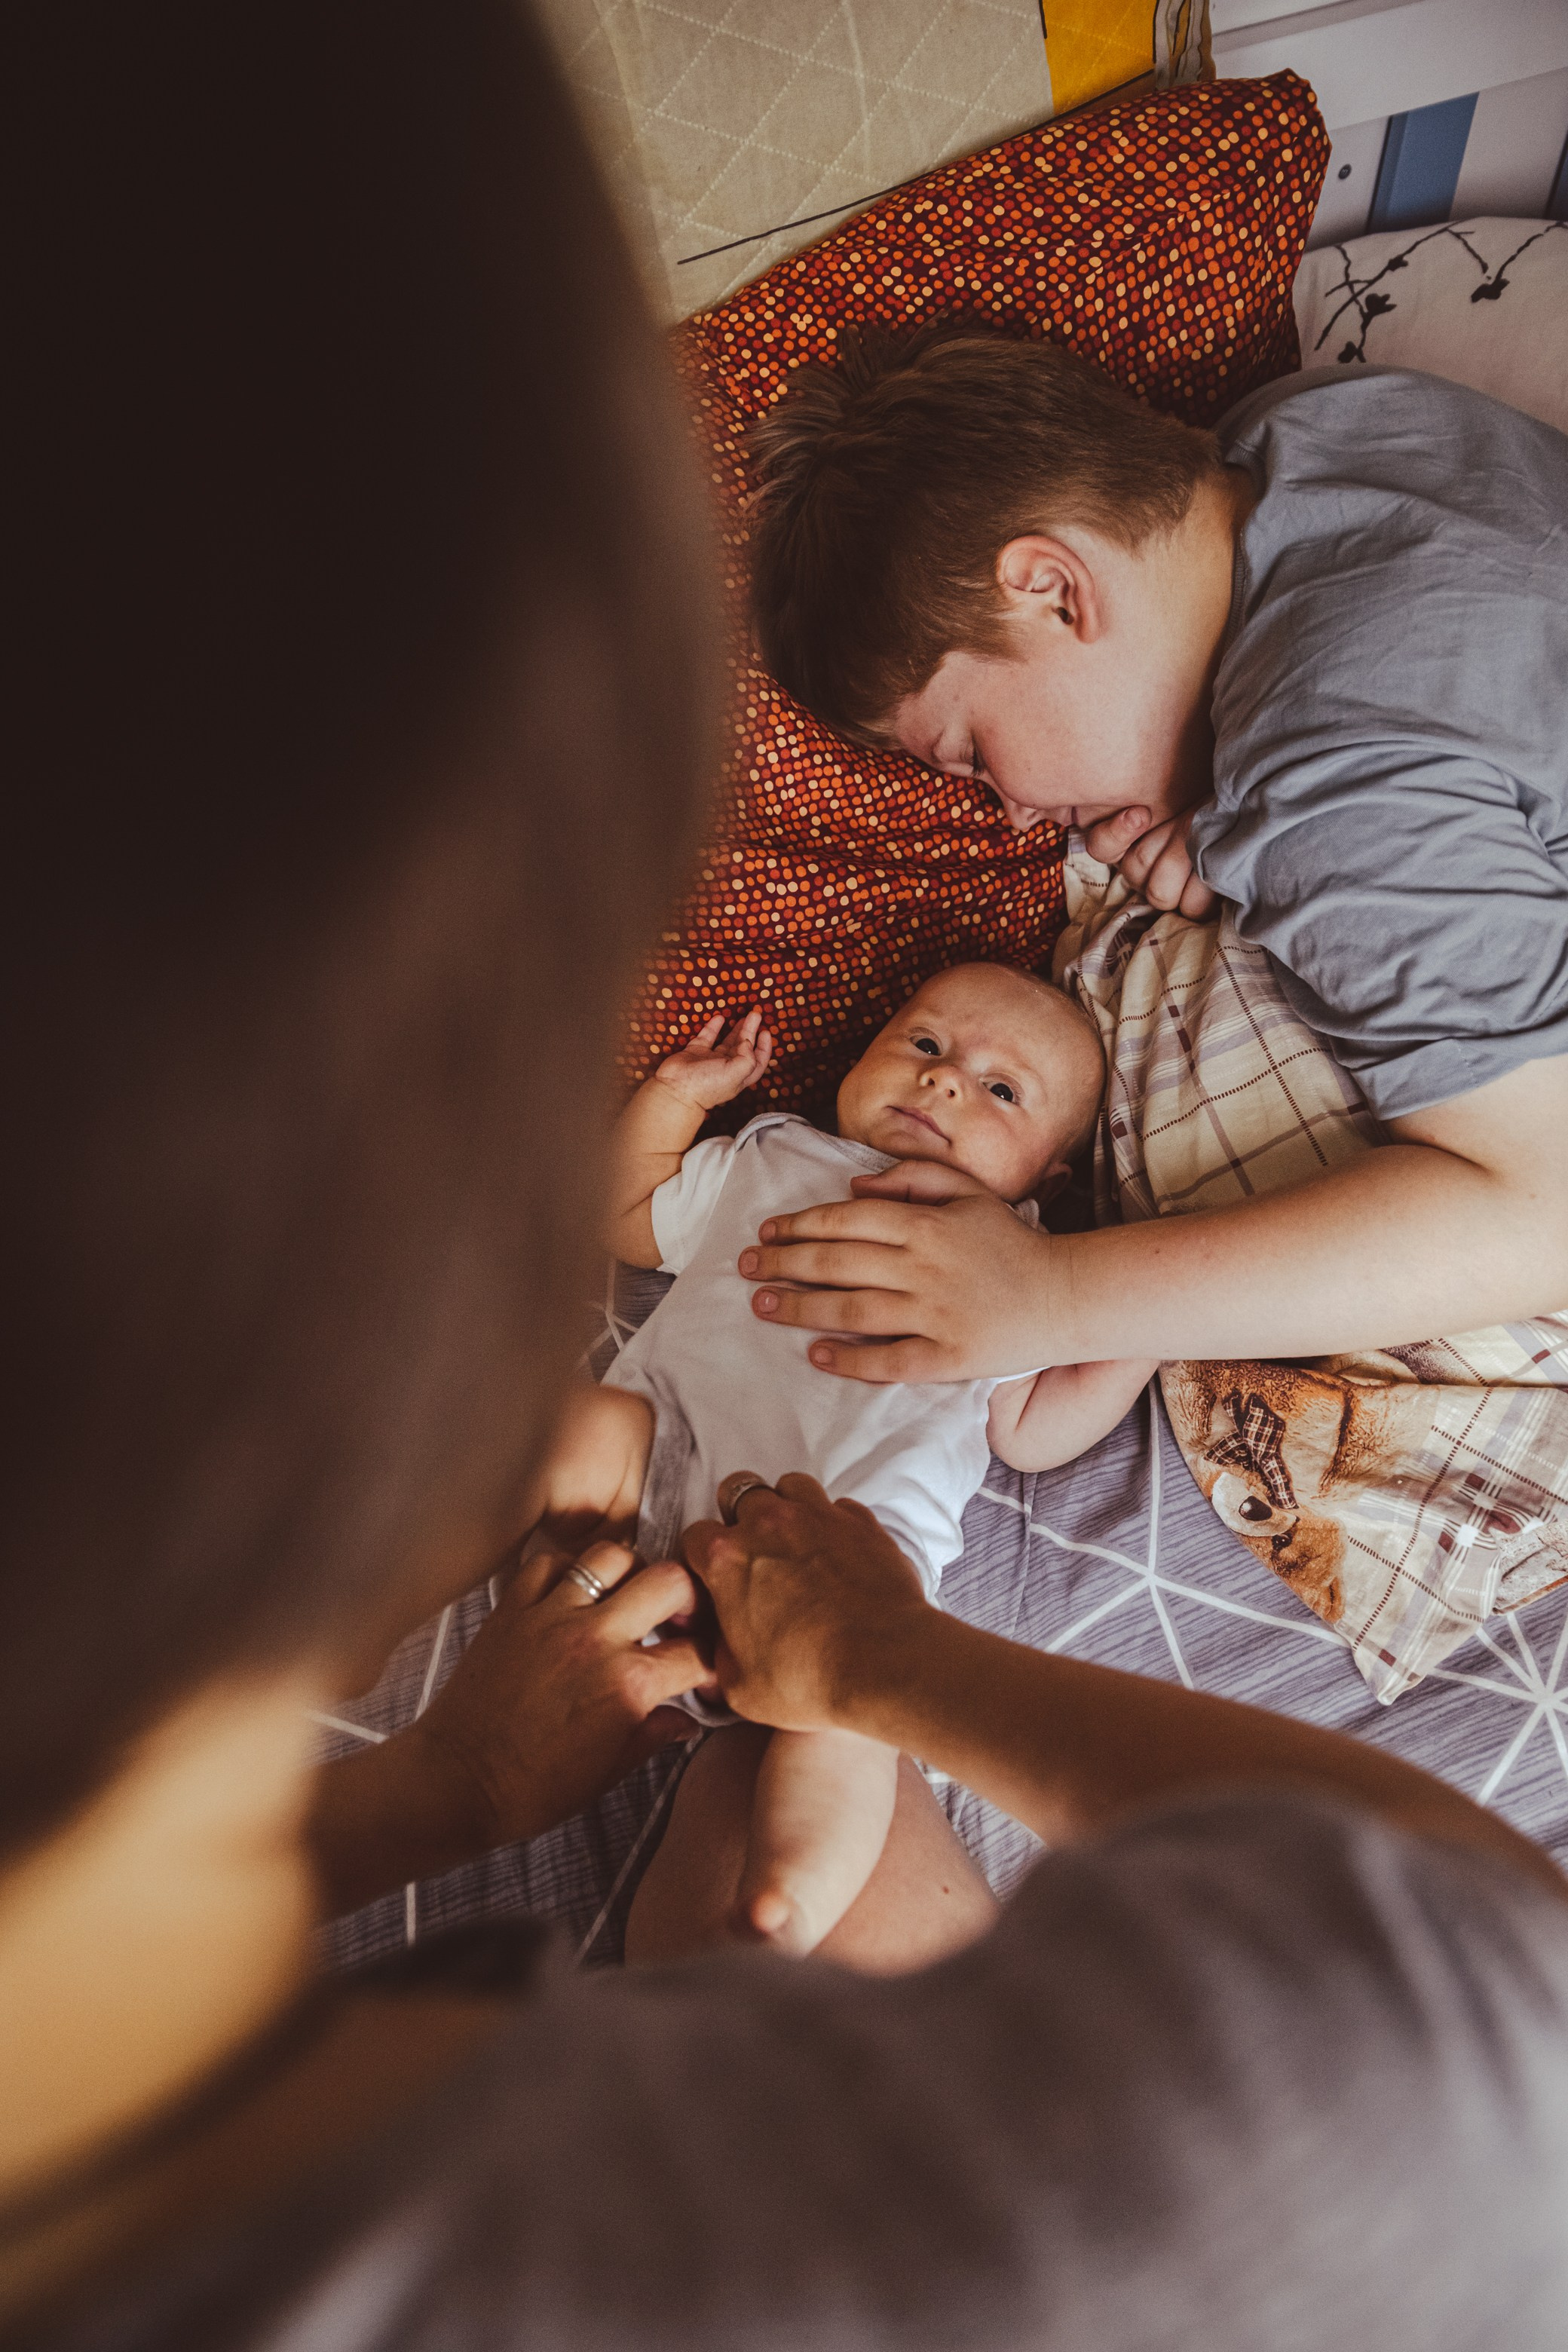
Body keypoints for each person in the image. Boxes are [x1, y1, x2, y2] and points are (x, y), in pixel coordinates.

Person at [8, 8, 1568, 2347]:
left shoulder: (1319, 756)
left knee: (763, 1762)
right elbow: (1459, 1955)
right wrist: (906, 1652)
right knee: (770, 1762)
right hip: (825, 1636)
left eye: (973, 761)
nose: (1014, 833)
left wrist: (435, 1807)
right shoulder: (1335, 466)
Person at [737, 326, 1568, 1385]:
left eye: (977, 755)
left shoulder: (1327, 779)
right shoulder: (1321, 424)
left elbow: (1542, 1211)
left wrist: (1052, 1296)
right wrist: (1213, 797)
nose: (1016, 816)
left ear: (1051, 588)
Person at [605, 966, 1149, 1956]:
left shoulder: (1018, 1262)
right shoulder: (770, 1157)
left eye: (1001, 1091)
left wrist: (1145, 1329)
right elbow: (629, 1215)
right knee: (566, 1431)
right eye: (926, 1046)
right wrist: (678, 1098)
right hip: (649, 1472)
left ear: (1048, 1182)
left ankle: (790, 1897)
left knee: (851, 1717)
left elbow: (1035, 1428)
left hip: (850, 1560)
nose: (945, 1083)